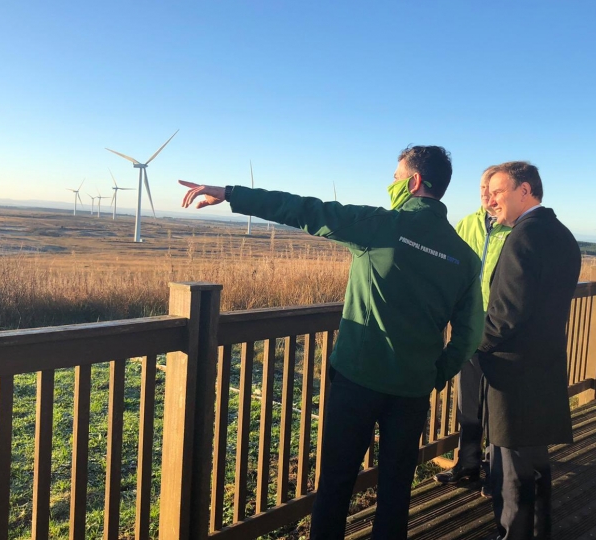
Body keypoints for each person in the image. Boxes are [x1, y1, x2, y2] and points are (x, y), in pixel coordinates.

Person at [178, 145, 485, 539]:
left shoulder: (381, 225)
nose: (391, 185)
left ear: (414, 182)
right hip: (412, 389)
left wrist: (232, 193)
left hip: (357, 379)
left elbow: (305, 210)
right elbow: (469, 333)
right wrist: (436, 374)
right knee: (396, 487)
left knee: (337, 482)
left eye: (395, 178)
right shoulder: (464, 256)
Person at [478, 161, 580, 540]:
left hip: (513, 373)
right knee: (536, 465)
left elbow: (506, 313)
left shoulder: (523, 236)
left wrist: (473, 344)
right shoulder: (561, 233)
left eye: (498, 192)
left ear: (524, 190)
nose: (491, 201)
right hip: (544, 364)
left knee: (511, 473)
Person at [435, 165, 512, 494]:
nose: (486, 195)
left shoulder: (516, 229)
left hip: (501, 330)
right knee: (468, 402)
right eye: (482, 188)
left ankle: (496, 472)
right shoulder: (466, 224)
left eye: (493, 190)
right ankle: (467, 463)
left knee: (498, 405)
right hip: (468, 326)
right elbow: (446, 267)